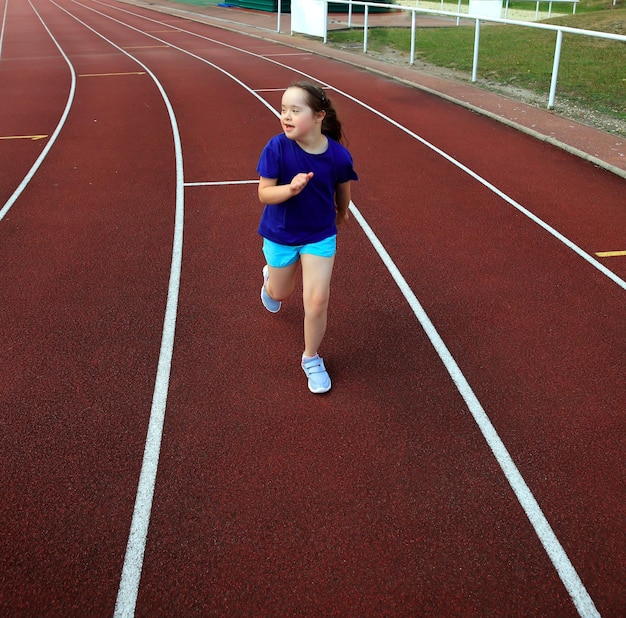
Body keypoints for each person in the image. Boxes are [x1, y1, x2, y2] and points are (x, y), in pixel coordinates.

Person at [256, 81, 358, 394]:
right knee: (281, 293)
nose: (285, 115)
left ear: (317, 116)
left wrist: (342, 212)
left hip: (319, 235)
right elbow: (263, 193)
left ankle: (311, 358)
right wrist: (290, 189)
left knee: (317, 299)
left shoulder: (338, 156)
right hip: (281, 235)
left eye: (294, 110)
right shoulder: (276, 148)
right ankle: (271, 281)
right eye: (283, 109)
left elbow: (344, 190)